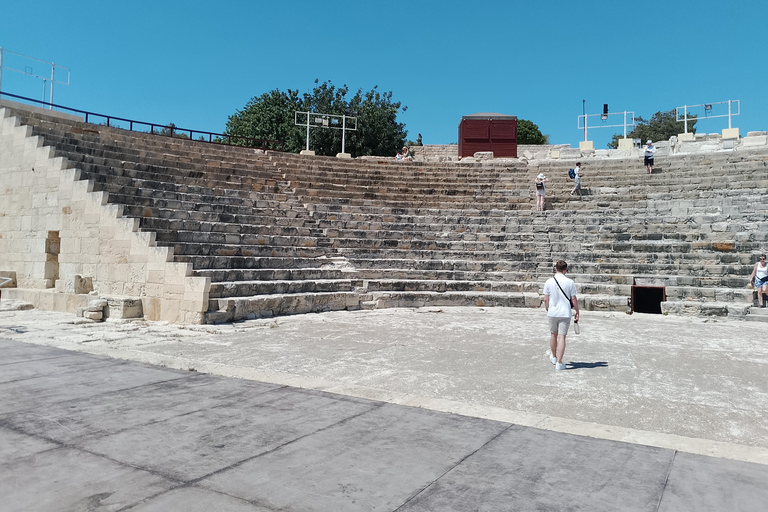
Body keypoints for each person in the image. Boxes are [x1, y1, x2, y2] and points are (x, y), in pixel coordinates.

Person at [543, 260, 580, 371]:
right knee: (562, 337)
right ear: (565, 270)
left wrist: (548, 308)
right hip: (565, 313)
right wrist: (577, 311)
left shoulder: (549, 281)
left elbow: (546, 298)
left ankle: (554, 357)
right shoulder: (570, 282)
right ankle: (559, 363)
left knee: (553, 335)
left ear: (555, 269)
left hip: (552, 312)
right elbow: (573, 298)